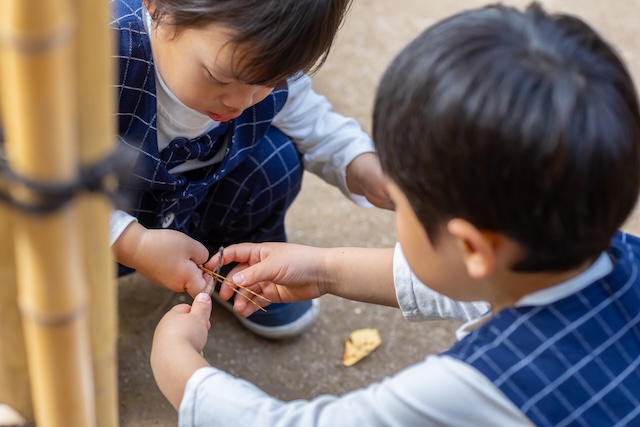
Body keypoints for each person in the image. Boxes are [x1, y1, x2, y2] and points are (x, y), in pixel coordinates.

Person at [150, 3, 640, 426]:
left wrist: (181, 368)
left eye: (401, 205)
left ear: (470, 247)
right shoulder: (604, 257)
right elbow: (489, 282)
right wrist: (327, 270)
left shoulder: (473, 391)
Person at [109, 0, 392, 340]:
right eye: (219, 77)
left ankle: (235, 270)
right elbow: (41, 183)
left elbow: (310, 118)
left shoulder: (266, 61)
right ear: (157, 6)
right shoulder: (104, 54)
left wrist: (359, 163)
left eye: (268, 82)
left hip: (190, 203)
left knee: (274, 161)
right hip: (96, 222)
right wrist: (132, 243)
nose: (240, 102)